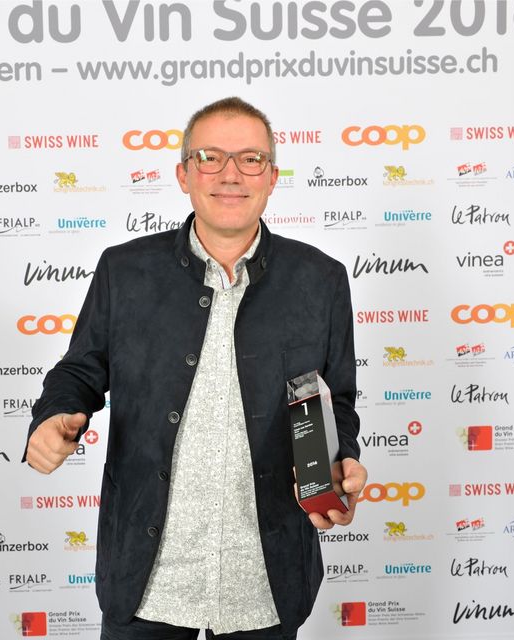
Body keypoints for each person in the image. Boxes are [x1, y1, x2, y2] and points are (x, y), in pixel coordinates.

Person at [24, 97, 366, 640]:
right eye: (210, 157)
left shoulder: (321, 281)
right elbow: (79, 370)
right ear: (183, 175)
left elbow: (336, 401)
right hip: (148, 581)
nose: (231, 174)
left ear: (272, 178)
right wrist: (53, 415)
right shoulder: (124, 271)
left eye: (251, 159)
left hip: (265, 581)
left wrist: (339, 463)